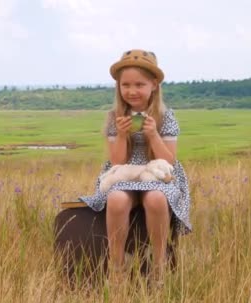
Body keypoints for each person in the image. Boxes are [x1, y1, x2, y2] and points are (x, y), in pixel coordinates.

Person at [79, 49, 191, 285]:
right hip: (124, 173)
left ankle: (159, 266)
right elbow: (118, 162)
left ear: (154, 85)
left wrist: (153, 136)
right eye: (125, 85)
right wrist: (120, 134)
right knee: (117, 200)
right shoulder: (116, 117)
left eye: (139, 84)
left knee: (156, 200)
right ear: (118, 87)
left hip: (160, 175)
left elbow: (169, 160)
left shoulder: (166, 116)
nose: (131, 91)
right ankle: (117, 267)